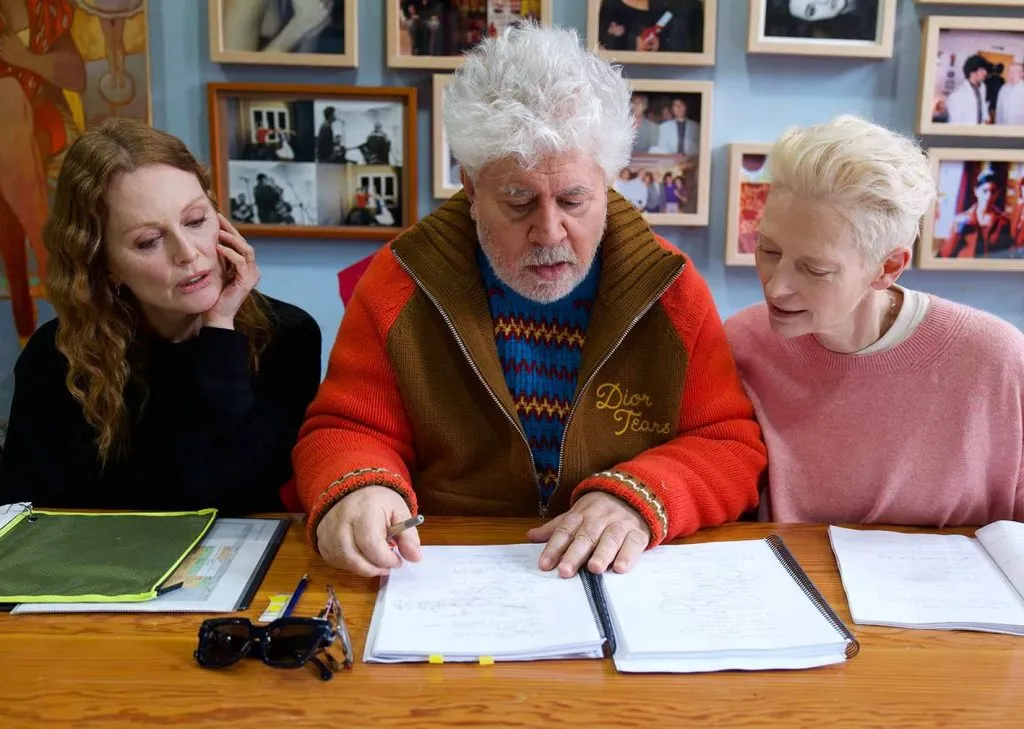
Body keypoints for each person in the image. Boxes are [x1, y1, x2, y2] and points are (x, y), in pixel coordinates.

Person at [293, 24, 765, 579]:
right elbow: (345, 429)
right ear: (470, 187)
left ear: (609, 182)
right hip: (447, 567)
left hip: (615, 573)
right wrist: (361, 486)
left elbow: (729, 444)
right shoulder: (400, 282)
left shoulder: (670, 288)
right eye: (518, 201)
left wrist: (637, 498)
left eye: (573, 199)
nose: (549, 231)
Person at [0, 118, 322, 514]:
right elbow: (20, 508)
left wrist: (219, 332)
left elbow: (234, 492)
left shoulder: (288, 335)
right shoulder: (57, 355)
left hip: (238, 566)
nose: (187, 252)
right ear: (106, 265)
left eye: (195, 220)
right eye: (149, 241)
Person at [725, 115, 1024, 526]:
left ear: (888, 267)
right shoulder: (743, 342)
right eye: (769, 251)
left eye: (814, 269)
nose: (775, 288)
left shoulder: (996, 359)